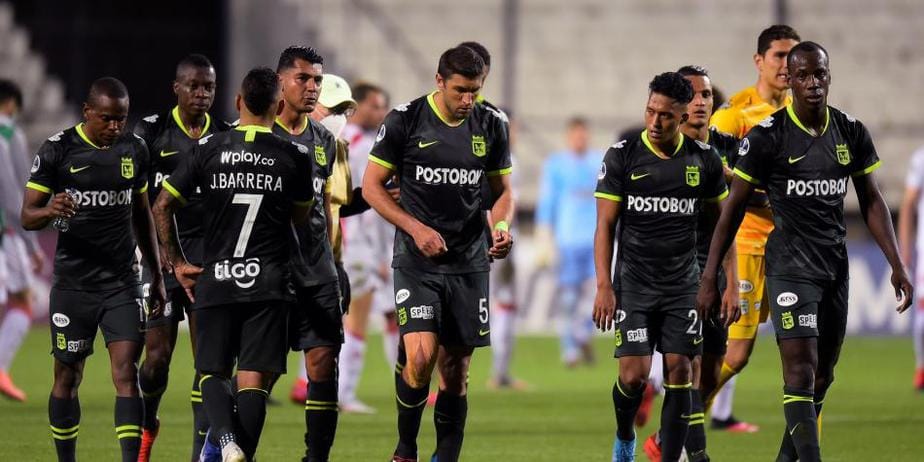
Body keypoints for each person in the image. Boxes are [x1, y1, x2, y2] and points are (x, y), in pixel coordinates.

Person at [698, 42, 913, 462]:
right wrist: (709, 277)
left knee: (822, 377)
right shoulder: (767, 137)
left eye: (820, 74)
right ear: (791, 81)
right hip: (789, 268)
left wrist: (897, 263)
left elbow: (870, 200)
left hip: (835, 267)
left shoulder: (850, 131)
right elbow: (732, 209)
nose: (813, 83)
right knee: (798, 369)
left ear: (829, 76)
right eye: (804, 76)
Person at [154, 66, 314, 462]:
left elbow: (162, 205)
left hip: (217, 276)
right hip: (269, 281)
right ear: (279, 106)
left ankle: (225, 443)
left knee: (213, 372)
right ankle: (239, 452)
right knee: (254, 381)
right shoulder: (296, 155)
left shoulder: (209, 147)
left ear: (238, 102)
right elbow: (299, 218)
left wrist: (176, 261)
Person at [363, 45, 513, 462]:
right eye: (461, 90)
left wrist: (500, 227)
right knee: (423, 358)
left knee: (456, 371)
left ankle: (445, 457)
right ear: (439, 81)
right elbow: (372, 187)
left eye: (476, 91)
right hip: (417, 260)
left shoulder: (492, 124)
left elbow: (503, 194)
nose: (468, 100)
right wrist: (415, 227)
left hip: (469, 262)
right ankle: (406, 448)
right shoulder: (405, 120)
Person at [21, 77, 167, 462]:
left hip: (122, 283)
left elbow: (142, 215)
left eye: (121, 118)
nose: (115, 127)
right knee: (67, 377)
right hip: (73, 286)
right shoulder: (58, 150)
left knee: (125, 375)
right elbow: (27, 215)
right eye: (107, 119)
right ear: (87, 112)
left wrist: (155, 274)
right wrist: (50, 210)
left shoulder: (135, 149)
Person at [593, 72, 729, 462]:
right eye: (650, 112)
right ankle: (624, 437)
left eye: (666, 116)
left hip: (682, 285)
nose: (655, 122)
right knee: (633, 377)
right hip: (634, 283)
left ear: (684, 115)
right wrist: (604, 284)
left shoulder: (703, 160)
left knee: (682, 374)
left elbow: (723, 228)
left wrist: (727, 283)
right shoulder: (622, 155)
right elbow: (604, 225)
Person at [132, 53, 230, 461]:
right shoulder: (152, 133)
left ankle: (198, 454)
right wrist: (162, 261)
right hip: (161, 262)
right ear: (177, 88)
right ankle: (148, 421)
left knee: (208, 364)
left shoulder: (224, 134)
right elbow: (139, 202)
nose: (203, 94)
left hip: (208, 261)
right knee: (156, 359)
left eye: (209, 86)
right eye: (194, 86)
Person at [705, 24, 801, 432]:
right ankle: (683, 412)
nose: (786, 65)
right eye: (778, 56)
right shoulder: (734, 115)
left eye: (792, 57)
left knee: (800, 354)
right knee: (737, 353)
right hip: (744, 244)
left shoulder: (806, 113)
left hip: (790, 248)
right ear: (759, 61)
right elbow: (712, 179)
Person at [641, 66, 740, 462]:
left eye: (707, 96)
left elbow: (755, 198)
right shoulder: (663, 146)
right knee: (689, 365)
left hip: (718, 264)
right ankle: (695, 455)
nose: (701, 102)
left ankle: (669, 438)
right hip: (678, 271)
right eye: (694, 95)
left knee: (716, 367)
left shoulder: (730, 147)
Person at [271, 46, 343, 462]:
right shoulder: (256, 135)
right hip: (269, 272)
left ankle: (315, 458)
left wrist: (336, 262)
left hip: (317, 272)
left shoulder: (324, 142)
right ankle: (223, 448)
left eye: (317, 79)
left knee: (323, 363)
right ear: (281, 81)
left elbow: (325, 208)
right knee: (256, 374)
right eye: (303, 78)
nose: (313, 87)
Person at [334, 81, 397, 413]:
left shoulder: (356, 141)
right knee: (356, 319)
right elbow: (358, 198)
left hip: (366, 246)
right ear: (356, 107)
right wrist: (372, 251)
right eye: (375, 105)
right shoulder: (358, 145)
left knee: (390, 317)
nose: (381, 112)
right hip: (357, 246)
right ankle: (343, 394)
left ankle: (406, 382)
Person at [535, 116, 604, 368]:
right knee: (568, 297)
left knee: (597, 294)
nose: (580, 139)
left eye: (583, 134)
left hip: (596, 240)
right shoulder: (556, 165)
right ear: (568, 137)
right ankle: (570, 349)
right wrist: (544, 236)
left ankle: (582, 332)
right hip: (568, 240)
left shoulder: (599, 162)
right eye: (576, 135)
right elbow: (547, 202)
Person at [0, 79, 46, 402]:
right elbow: (15, 193)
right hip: (7, 233)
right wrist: (32, 245)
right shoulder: (8, 136)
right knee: (22, 301)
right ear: (11, 104)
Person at [899, 144, 924, 391]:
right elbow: (908, 205)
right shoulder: (921, 158)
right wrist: (904, 251)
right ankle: (922, 367)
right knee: (922, 319)